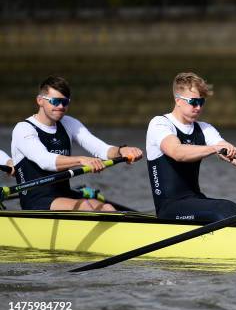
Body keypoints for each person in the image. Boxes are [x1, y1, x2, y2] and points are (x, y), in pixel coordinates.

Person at [146, 71, 236, 221]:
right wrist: (213, 149)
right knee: (223, 209)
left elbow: (234, 155)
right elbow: (177, 152)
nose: (198, 107)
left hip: (196, 201)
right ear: (178, 100)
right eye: (193, 102)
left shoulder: (204, 128)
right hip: (169, 208)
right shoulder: (160, 124)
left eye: (201, 102)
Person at [11, 76, 143, 211]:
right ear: (40, 100)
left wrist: (121, 151)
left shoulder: (69, 123)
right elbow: (45, 160)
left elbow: (101, 149)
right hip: (36, 201)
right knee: (85, 206)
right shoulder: (23, 129)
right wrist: (81, 159)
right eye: (55, 101)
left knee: (108, 208)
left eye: (65, 102)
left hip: (64, 194)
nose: (61, 107)